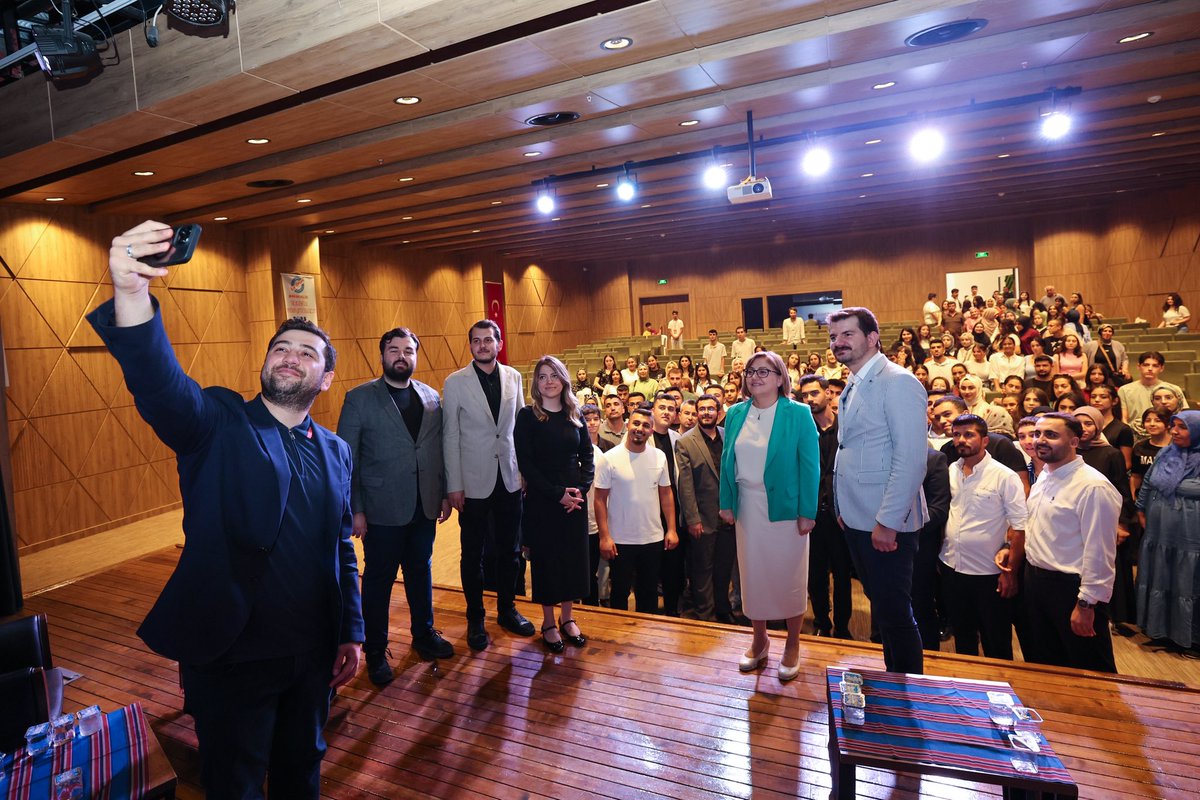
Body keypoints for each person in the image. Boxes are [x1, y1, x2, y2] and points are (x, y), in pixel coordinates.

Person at [90, 221, 363, 797]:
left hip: (311, 654)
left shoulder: (337, 450)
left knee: (301, 774)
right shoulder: (218, 424)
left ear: (327, 377)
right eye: (280, 348)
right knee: (232, 784)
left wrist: (350, 633)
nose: (290, 357)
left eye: (307, 352)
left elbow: (340, 547)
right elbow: (160, 385)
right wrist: (134, 295)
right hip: (235, 652)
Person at [338, 327, 453, 685]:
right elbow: (347, 458)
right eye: (394, 350)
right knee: (378, 580)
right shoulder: (359, 398)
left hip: (423, 505)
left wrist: (444, 491)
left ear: (416, 356)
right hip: (380, 508)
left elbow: (437, 451)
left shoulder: (431, 397)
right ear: (382, 354)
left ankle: (424, 635)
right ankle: (375, 651)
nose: (401, 356)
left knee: (421, 571)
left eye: (408, 350)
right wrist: (355, 509)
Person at [828, 307, 930, 674]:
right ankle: (894, 684)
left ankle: (907, 697)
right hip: (857, 517)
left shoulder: (898, 381)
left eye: (847, 335)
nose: (838, 343)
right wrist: (842, 506)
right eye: (833, 337)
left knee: (895, 614)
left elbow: (911, 460)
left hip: (886, 523)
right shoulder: (854, 382)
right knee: (883, 609)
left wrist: (888, 521)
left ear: (872, 338)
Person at [718, 351, 819, 681]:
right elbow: (727, 463)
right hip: (748, 506)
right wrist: (726, 502)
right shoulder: (734, 413)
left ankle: (792, 643)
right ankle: (759, 640)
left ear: (780, 378)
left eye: (765, 371)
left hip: (787, 509)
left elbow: (810, 466)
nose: (756, 376)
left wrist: (808, 512)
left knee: (789, 577)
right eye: (751, 371)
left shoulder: (798, 414)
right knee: (753, 577)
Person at [1000, 413, 1121, 672]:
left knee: (1090, 669)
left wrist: (1087, 603)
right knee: (1046, 664)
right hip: (1037, 582)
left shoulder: (1093, 486)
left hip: (1071, 589)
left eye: (1051, 435)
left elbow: (1100, 552)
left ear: (1074, 441)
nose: (1039, 440)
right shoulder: (1046, 475)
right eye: (1037, 434)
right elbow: (1038, 526)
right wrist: (1010, 547)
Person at [442, 320, 536, 651]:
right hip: (473, 482)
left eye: (488, 340)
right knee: (473, 554)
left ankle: (508, 609)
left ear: (499, 343)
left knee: (511, 551)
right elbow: (450, 435)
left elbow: (521, 428)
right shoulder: (455, 383)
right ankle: (475, 617)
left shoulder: (514, 377)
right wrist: (454, 484)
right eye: (476, 341)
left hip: (509, 477)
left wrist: (524, 468)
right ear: (470, 346)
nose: (482, 345)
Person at [514, 356, 595, 653]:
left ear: (564, 380)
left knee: (572, 560)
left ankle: (568, 618)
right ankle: (548, 622)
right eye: (542, 376)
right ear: (535, 383)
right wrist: (556, 493)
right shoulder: (527, 416)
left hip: (574, 499)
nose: (548, 381)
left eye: (554, 375)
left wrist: (580, 490)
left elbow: (587, 456)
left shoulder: (575, 414)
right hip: (544, 498)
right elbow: (527, 464)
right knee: (549, 561)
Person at [940, 414, 1026, 659]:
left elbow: (1019, 527)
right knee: (964, 638)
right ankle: (968, 693)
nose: (961, 440)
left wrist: (1010, 573)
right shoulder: (951, 470)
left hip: (989, 573)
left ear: (985, 440)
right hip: (952, 568)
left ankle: (1000, 690)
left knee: (996, 641)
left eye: (969, 434)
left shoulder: (1004, 476)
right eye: (957, 435)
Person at [594, 405, 678, 613]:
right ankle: (619, 638)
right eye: (636, 423)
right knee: (620, 592)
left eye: (646, 425)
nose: (640, 428)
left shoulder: (659, 456)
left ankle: (646, 638)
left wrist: (672, 529)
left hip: (653, 538)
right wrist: (604, 537)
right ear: (628, 424)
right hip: (620, 539)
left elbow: (666, 494)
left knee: (648, 592)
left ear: (651, 430)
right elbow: (599, 500)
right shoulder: (610, 458)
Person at [1136, 411, 1200, 650]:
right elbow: (1148, 481)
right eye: (1173, 426)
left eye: (1182, 427)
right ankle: (1160, 630)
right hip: (1159, 530)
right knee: (1162, 573)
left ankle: (1190, 636)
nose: (1174, 431)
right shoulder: (1166, 452)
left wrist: (1170, 484)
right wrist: (1141, 507)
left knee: (1187, 578)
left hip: (1190, 532)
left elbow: (1195, 488)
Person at [798, 375, 854, 639]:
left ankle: (843, 627)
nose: (809, 399)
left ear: (828, 394)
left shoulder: (847, 427)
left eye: (814, 393)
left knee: (843, 576)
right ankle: (822, 621)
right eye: (805, 395)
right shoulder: (803, 430)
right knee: (815, 575)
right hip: (813, 515)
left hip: (842, 514)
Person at [676, 395, 737, 623]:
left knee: (724, 569)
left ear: (718, 411)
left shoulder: (727, 436)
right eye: (702, 409)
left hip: (728, 516)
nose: (706, 413)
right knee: (702, 571)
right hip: (702, 518)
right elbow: (686, 485)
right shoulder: (685, 442)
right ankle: (706, 614)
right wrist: (692, 519)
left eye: (710, 409)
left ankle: (723, 609)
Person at [648, 392, 685, 616]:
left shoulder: (678, 439)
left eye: (671, 409)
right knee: (651, 569)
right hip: (649, 513)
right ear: (653, 410)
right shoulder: (640, 436)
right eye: (662, 407)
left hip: (674, 512)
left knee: (674, 568)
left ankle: (673, 612)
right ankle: (649, 612)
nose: (666, 412)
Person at [1119, 351, 1190, 438]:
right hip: (1135, 434)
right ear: (1139, 366)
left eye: (1155, 366)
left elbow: (1182, 416)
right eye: (1146, 365)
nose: (1150, 369)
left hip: (1168, 434)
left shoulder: (1173, 389)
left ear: (1161, 368)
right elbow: (1124, 420)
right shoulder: (1124, 390)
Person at [579, 404, 607, 606]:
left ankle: (592, 610)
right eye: (586, 420)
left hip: (593, 521)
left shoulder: (598, 452)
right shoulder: (569, 447)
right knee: (575, 572)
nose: (591, 424)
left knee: (590, 572)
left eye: (595, 419)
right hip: (572, 520)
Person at [1131, 408, 1172, 496]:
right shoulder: (1139, 447)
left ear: (1168, 424)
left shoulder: (1176, 446)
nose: (1152, 424)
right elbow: (1135, 476)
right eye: (1148, 421)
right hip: (1145, 494)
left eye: (1158, 421)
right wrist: (1133, 497)